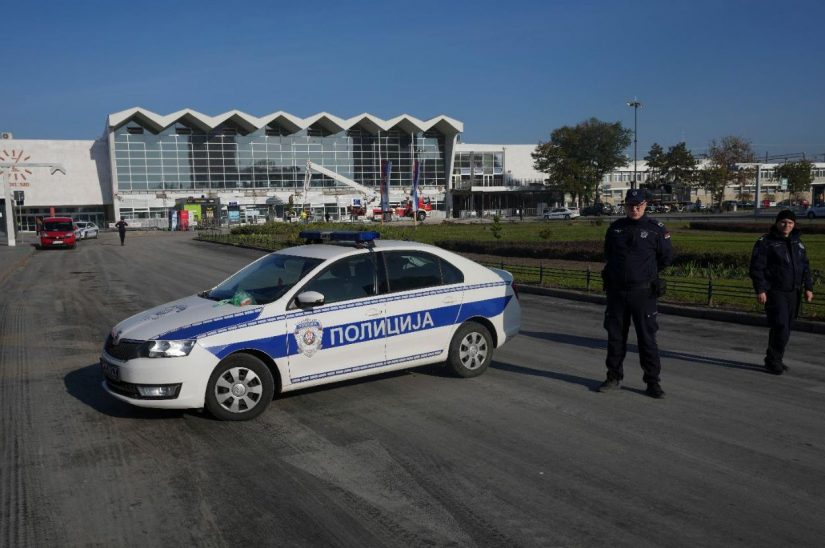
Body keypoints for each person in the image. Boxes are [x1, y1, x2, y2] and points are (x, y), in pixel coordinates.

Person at [599, 188, 674, 398]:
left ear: (645, 205)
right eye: (631, 205)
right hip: (617, 294)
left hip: (643, 293)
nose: (634, 209)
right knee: (615, 339)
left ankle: (652, 383)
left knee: (647, 340)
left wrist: (647, 273)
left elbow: (666, 257)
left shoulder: (656, 229)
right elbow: (608, 254)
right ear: (625, 206)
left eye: (638, 205)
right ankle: (613, 377)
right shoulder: (615, 228)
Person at [748, 209, 814, 375]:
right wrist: (761, 289)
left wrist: (808, 287)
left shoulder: (797, 243)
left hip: (793, 291)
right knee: (781, 325)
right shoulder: (766, 242)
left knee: (785, 327)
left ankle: (774, 358)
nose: (787, 226)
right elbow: (757, 267)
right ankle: (773, 361)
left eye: (790, 223)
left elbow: (805, 267)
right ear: (777, 223)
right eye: (783, 222)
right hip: (775, 291)